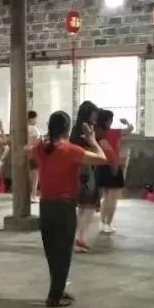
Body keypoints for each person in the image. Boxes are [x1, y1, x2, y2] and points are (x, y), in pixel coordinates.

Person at [32, 110, 107, 308]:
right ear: (67, 128)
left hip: (45, 206)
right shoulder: (70, 150)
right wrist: (92, 139)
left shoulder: (40, 148)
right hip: (64, 207)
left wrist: (42, 140)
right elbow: (102, 158)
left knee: (52, 252)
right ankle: (54, 297)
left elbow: (27, 149)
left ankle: (57, 289)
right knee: (63, 253)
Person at [95, 110, 133, 234]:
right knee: (113, 198)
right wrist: (126, 122)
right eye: (111, 119)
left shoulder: (98, 133)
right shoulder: (114, 132)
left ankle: (102, 223)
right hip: (113, 166)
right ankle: (108, 224)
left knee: (105, 197)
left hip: (101, 166)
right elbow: (130, 129)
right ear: (108, 120)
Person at [70, 101, 101, 252]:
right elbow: (92, 148)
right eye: (93, 114)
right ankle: (80, 237)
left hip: (81, 169)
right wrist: (93, 140)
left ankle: (79, 237)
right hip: (87, 169)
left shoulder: (77, 128)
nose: (95, 117)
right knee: (89, 205)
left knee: (83, 206)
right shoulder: (86, 127)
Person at [27, 111, 41, 201]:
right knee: (35, 176)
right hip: (33, 154)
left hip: (26, 153)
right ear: (31, 119)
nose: (36, 120)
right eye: (35, 118)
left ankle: (29, 195)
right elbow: (36, 142)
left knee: (30, 175)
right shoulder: (34, 128)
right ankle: (33, 195)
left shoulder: (25, 128)